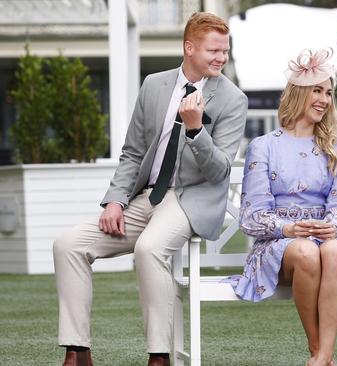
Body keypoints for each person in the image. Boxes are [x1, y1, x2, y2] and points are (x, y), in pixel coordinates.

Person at [52, 12, 247, 366]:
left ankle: (159, 357)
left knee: (150, 249)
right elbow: (133, 153)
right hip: (146, 198)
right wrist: (115, 200)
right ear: (189, 48)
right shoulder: (154, 85)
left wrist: (195, 130)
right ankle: (77, 351)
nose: (221, 58)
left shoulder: (233, 99)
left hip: (190, 200)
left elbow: (219, 170)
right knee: (68, 245)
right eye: (213, 50)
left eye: (225, 51)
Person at [228, 48, 337, 366]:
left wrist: (333, 225)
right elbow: (251, 215)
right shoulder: (264, 146)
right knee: (305, 250)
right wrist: (286, 228)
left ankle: (324, 356)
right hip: (279, 246)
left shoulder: (335, 148)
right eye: (318, 90)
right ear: (299, 93)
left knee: (335, 251)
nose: (325, 99)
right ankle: (317, 350)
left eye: (329, 93)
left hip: (323, 238)